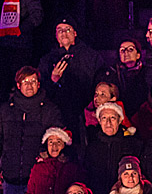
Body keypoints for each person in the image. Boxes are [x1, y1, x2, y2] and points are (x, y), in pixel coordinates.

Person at [0, 66, 63, 194]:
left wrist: (46, 157)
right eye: (25, 81)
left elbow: (58, 139)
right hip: (12, 177)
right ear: (18, 85)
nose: (29, 85)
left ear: (39, 84)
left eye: (33, 81)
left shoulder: (50, 110)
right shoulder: (5, 110)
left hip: (38, 178)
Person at [37, 17, 104, 145]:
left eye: (67, 29)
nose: (63, 33)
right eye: (60, 30)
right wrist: (53, 80)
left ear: (75, 33)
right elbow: (42, 89)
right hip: (59, 115)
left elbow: (101, 81)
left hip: (86, 114)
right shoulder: (47, 60)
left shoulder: (91, 56)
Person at [84, 102, 142, 194]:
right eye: (104, 118)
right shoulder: (92, 147)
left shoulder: (132, 145)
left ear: (120, 120)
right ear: (99, 121)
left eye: (113, 118)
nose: (108, 123)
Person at [97, 38, 149, 119]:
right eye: (122, 50)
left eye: (130, 49)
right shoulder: (112, 73)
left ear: (138, 54)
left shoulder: (146, 72)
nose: (126, 53)